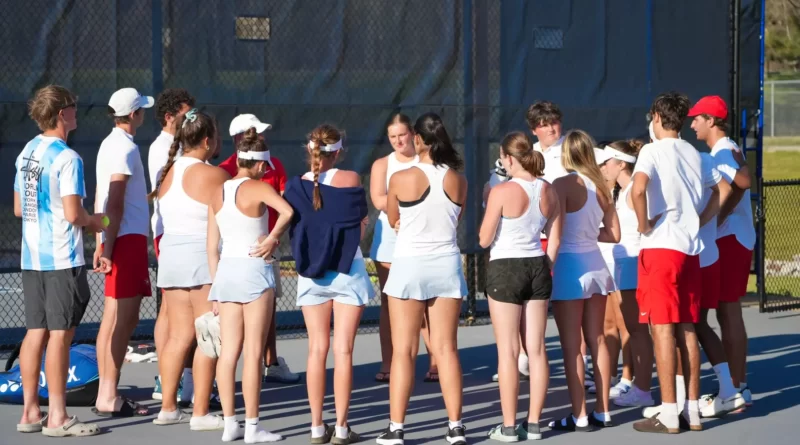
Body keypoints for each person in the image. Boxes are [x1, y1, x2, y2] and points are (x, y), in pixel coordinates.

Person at [14, 85, 105, 437]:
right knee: (59, 337)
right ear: (62, 113)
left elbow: (21, 209)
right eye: (73, 106)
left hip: (31, 258)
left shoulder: (26, 153)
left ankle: (30, 412)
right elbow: (73, 213)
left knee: (35, 332)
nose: (77, 111)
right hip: (60, 260)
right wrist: (96, 220)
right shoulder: (68, 158)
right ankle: (57, 417)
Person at [631, 92, 724, 434]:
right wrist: (698, 219)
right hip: (689, 251)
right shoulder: (694, 153)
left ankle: (670, 411)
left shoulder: (651, 150)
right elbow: (718, 191)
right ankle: (692, 410)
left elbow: (638, 189)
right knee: (687, 327)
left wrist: (643, 225)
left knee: (662, 330)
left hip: (661, 249)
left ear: (657, 117)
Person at [377, 113, 468, 445]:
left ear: (418, 139)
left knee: (403, 351)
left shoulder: (401, 177)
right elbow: (455, 217)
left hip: (409, 265)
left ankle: (396, 429)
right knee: (446, 349)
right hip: (446, 264)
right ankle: (455, 427)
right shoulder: (459, 180)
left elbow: (392, 216)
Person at [284, 124, 372, 444]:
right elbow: (360, 224)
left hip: (311, 275)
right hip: (348, 271)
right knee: (343, 350)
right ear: (338, 152)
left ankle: (317, 428)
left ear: (311, 150)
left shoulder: (294, 187)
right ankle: (343, 429)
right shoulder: (350, 179)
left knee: (316, 350)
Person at [208, 127, 294, 443]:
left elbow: (211, 246)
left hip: (227, 273)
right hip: (254, 271)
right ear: (259, 164)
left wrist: (215, 287)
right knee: (254, 352)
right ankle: (252, 429)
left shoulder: (217, 191)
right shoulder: (258, 187)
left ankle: (231, 425)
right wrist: (272, 238)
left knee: (228, 352)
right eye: (264, 167)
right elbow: (288, 212)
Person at [479, 132, 562, 441]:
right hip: (537, 265)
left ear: (509, 159)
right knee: (537, 349)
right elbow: (554, 235)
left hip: (505, 267)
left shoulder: (501, 191)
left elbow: (484, 239)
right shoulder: (548, 190)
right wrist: (546, 265)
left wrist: (490, 199)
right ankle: (535, 423)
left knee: (508, 351)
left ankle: (509, 426)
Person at [151, 109, 229, 430]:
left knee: (179, 336)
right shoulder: (215, 175)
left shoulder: (165, 172)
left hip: (170, 259)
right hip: (201, 262)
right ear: (208, 140)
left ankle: (168, 408)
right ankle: (199, 412)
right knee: (208, 336)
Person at [218, 114, 300, 384]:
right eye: (257, 132)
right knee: (230, 336)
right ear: (241, 138)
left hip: (266, 252)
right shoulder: (225, 170)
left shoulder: (273, 163)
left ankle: (271, 362)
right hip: (232, 256)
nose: (263, 137)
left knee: (267, 309)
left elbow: (284, 205)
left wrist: (273, 238)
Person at [549, 130, 619, 432]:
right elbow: (614, 234)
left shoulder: (562, 184)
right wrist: (589, 234)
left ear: (566, 154)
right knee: (598, 340)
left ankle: (578, 415)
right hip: (596, 265)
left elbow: (556, 228)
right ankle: (603, 411)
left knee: (571, 347)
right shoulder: (602, 187)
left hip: (569, 268)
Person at [689, 95, 753, 414]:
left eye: (697, 118)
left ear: (711, 120)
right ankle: (738, 383)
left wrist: (720, 214)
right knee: (728, 312)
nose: (692, 124)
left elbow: (740, 182)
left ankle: (738, 385)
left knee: (728, 313)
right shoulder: (725, 148)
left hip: (731, 239)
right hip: (734, 238)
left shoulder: (722, 150)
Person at [92, 88, 154, 417]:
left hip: (118, 238)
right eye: (141, 110)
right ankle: (108, 395)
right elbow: (112, 201)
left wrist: (102, 241)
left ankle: (106, 391)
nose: (144, 114)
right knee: (121, 321)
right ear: (133, 116)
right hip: (125, 241)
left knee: (114, 320)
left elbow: (101, 199)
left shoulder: (110, 144)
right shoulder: (124, 149)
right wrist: (109, 246)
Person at [526, 101, 593, 386]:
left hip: (569, 243)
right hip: (535, 240)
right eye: (544, 123)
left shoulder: (573, 149)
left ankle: (585, 366)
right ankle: (527, 359)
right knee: (533, 305)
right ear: (534, 129)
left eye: (554, 121)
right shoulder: (528, 154)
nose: (551, 127)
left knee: (573, 309)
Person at [370, 113, 438, 384]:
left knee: (427, 303)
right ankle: (388, 363)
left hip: (423, 241)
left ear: (413, 134)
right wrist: (403, 210)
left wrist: (404, 209)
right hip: (389, 242)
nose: (398, 141)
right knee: (389, 303)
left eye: (402, 135)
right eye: (392, 136)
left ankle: (435, 362)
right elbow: (377, 199)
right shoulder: (381, 165)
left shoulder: (428, 161)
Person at [593, 142, 657, 409]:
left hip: (632, 264)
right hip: (624, 266)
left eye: (607, 162)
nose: (602, 167)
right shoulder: (624, 191)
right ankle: (640, 387)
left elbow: (647, 226)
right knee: (634, 329)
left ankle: (643, 389)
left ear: (621, 164)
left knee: (638, 331)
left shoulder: (634, 191)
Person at [148, 88, 196, 403]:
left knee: (169, 309)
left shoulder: (177, 146)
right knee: (173, 311)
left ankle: (172, 379)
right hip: (170, 234)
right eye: (185, 115)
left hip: (175, 234)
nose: (191, 120)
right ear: (170, 118)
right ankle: (170, 380)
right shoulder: (164, 148)